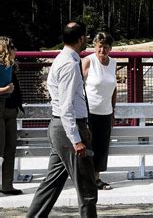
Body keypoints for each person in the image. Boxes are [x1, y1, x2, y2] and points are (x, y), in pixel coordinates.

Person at [27, 22, 97, 218]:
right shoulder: (70, 65)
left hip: (61, 127)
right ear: (81, 38)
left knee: (51, 184)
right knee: (87, 189)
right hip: (68, 129)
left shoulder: (61, 59)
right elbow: (67, 106)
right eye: (86, 37)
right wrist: (76, 138)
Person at [82, 32, 117, 190]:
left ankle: (96, 179)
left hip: (106, 111)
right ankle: (85, 180)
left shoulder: (113, 63)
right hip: (89, 111)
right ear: (95, 46)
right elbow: (78, 87)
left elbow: (114, 88)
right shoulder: (88, 61)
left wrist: (113, 110)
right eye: (100, 46)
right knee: (87, 146)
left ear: (110, 48)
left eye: (106, 47)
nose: (102, 50)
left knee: (102, 147)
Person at [0, 37, 23, 195]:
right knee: (0, 149)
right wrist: (5, 89)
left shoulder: (11, 66)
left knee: (10, 148)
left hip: (11, 109)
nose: (16, 50)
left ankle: (7, 185)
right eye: (13, 46)